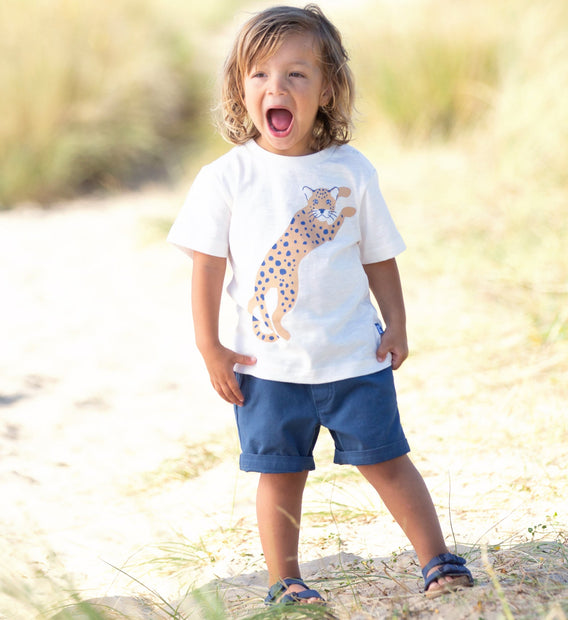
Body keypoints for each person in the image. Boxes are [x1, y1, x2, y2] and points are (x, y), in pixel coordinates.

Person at [168, 3, 473, 605]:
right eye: (259, 74)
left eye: (296, 74)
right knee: (280, 474)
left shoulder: (350, 170)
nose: (276, 88)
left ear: (327, 88)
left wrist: (399, 324)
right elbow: (207, 267)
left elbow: (377, 255)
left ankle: (436, 559)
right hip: (267, 368)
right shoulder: (226, 178)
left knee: (389, 460)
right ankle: (286, 580)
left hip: (354, 358)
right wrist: (210, 348)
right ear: (239, 86)